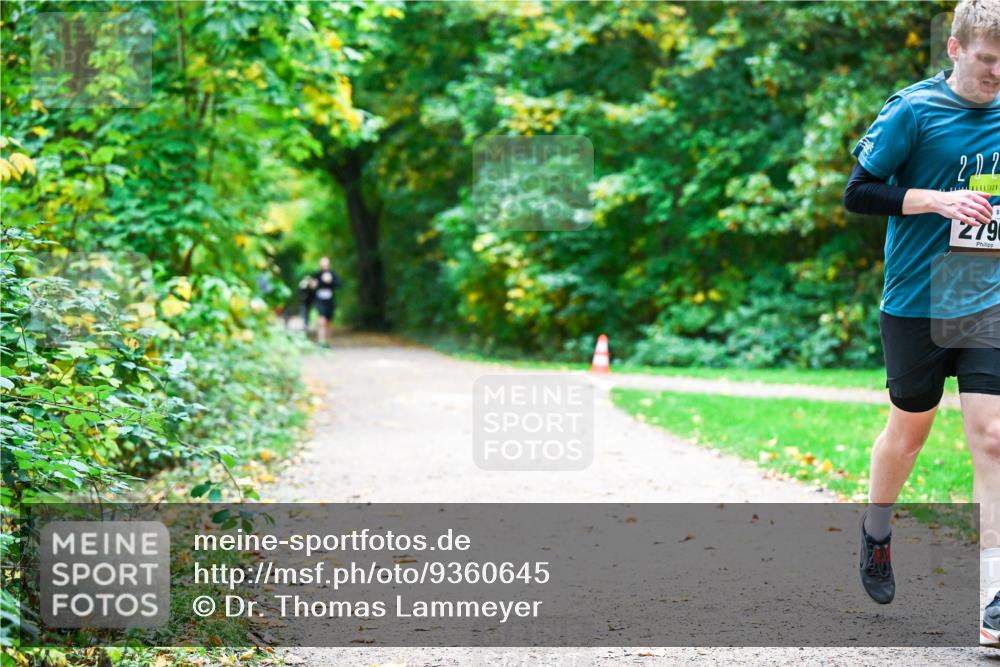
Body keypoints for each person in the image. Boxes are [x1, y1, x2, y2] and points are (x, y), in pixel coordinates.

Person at [843, 0, 1000, 646]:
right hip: (915, 301)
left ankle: (994, 597)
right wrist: (935, 200)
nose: (997, 73)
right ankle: (876, 531)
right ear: (955, 49)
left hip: (985, 298)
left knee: (994, 435)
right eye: (988, 60)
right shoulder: (913, 110)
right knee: (908, 433)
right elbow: (858, 192)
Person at [312, 256, 341, 347]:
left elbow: (339, 284)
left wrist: (330, 281)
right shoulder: (316, 274)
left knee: (328, 322)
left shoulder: (332, 273)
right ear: (320, 264)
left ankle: (327, 342)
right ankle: (321, 341)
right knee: (322, 320)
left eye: (326, 263)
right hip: (320, 300)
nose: (324, 265)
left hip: (330, 300)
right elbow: (312, 286)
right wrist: (313, 284)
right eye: (323, 263)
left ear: (329, 264)